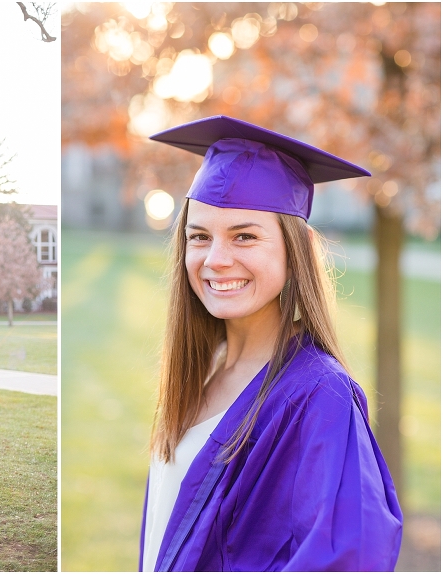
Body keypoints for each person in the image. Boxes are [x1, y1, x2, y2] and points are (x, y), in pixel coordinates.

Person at [140, 116, 402, 571]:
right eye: (199, 237)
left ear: (292, 249)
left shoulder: (320, 397)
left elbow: (351, 557)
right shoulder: (201, 367)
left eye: (245, 236)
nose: (216, 259)